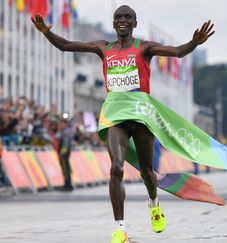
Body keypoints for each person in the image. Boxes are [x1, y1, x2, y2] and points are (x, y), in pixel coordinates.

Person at [32, 5, 214, 243]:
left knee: (147, 173)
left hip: (140, 117)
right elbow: (66, 45)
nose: (122, 20)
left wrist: (194, 43)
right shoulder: (103, 48)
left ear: (134, 23)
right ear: (114, 23)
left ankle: (154, 204)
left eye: (128, 17)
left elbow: (178, 52)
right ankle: (120, 229)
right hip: (115, 116)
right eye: (118, 17)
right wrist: (47, 32)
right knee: (116, 167)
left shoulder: (144, 47)